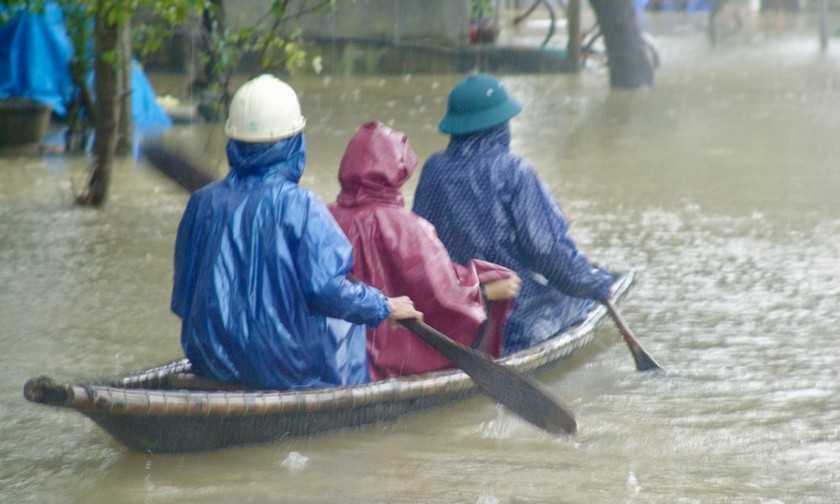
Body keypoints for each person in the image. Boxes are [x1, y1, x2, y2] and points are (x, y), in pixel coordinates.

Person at [170, 75, 422, 391]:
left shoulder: (201, 202)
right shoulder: (301, 206)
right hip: (284, 370)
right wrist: (384, 307)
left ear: (233, 141)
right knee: (345, 324)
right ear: (294, 142)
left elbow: (182, 299)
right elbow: (328, 290)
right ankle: (347, 395)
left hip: (210, 362)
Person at [412, 73, 613, 354]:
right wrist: (598, 284)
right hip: (513, 317)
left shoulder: (433, 170)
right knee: (578, 296)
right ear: (500, 125)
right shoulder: (513, 171)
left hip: (451, 311)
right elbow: (549, 253)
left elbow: (422, 245)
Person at [328, 121, 521, 380]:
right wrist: (486, 289)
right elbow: (445, 297)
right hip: (397, 363)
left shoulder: (323, 218)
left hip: (340, 359)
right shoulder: (410, 227)